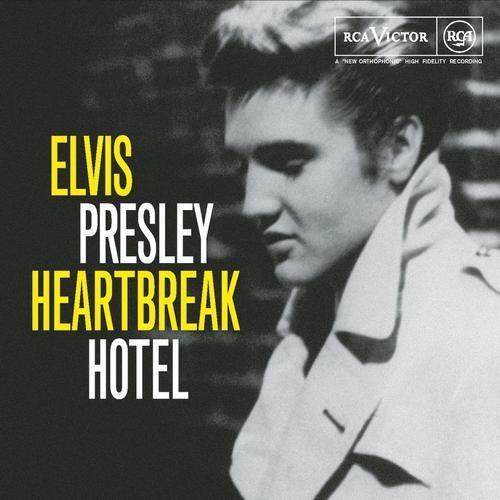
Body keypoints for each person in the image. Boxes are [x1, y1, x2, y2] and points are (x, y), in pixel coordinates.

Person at [202, 1, 500, 498]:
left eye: (289, 162)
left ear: (397, 148)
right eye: (244, 167)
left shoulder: (483, 342)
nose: (254, 203)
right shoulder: (316, 323)